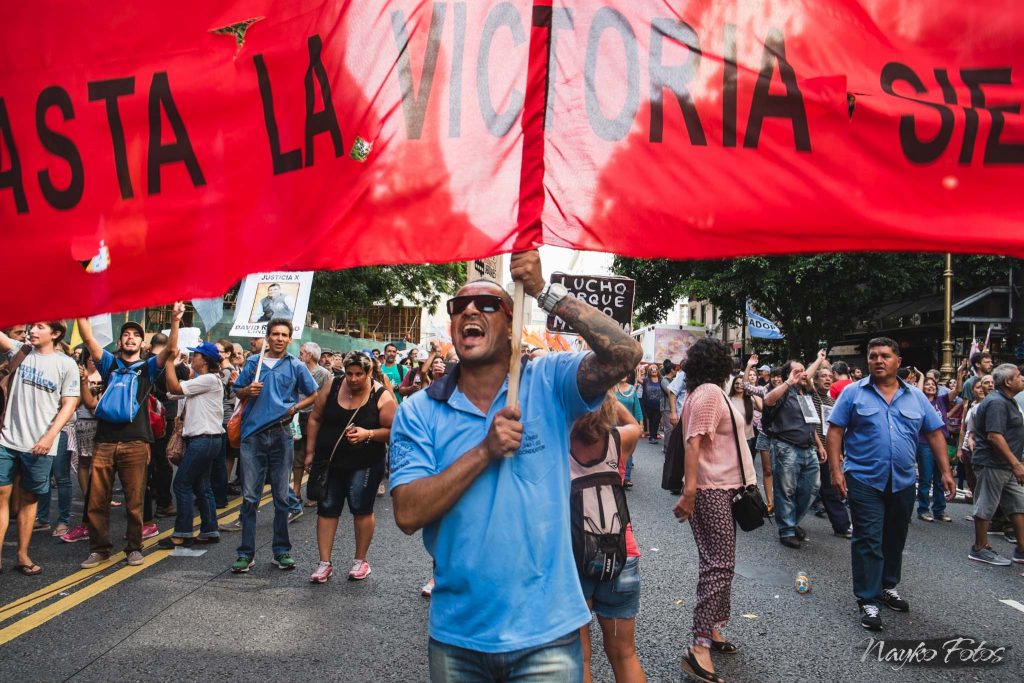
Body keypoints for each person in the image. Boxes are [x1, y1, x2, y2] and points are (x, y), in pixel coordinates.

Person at [389, 250, 641, 680]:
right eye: (459, 306)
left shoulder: (549, 381)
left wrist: (545, 292)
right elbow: (408, 513)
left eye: (488, 305)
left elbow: (624, 355)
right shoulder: (418, 411)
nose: (470, 310)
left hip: (549, 634)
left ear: (510, 326)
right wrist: (484, 451)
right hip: (458, 638)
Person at [826, 337, 954, 631]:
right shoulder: (853, 393)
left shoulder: (916, 397)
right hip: (863, 478)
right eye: (873, 356)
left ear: (898, 361)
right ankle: (868, 599)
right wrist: (836, 470)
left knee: (895, 536)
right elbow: (835, 432)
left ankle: (887, 586)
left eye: (885, 356)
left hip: (903, 481)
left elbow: (934, 433)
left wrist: (946, 472)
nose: (878, 360)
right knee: (868, 538)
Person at [673, 338, 758, 683]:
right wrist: (690, 492)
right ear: (719, 362)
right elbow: (693, 442)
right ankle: (699, 646)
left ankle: (714, 629)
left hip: (724, 488)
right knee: (718, 565)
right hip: (711, 489)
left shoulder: (711, 391)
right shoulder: (709, 393)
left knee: (723, 563)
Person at [76, 310, 181, 569]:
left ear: (142, 344)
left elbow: (170, 349)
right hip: (104, 441)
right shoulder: (110, 364)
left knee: (135, 500)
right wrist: (80, 307)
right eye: (126, 335)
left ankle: (134, 547)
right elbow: (89, 340)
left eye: (135, 335)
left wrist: (176, 319)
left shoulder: (147, 368)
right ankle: (99, 549)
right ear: (120, 341)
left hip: (135, 442)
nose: (130, 338)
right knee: (97, 500)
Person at [230, 319, 318, 573]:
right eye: (275, 334)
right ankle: (246, 553)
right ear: (267, 337)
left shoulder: (296, 365)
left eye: (284, 335)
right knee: (249, 497)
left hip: (281, 435)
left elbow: (313, 393)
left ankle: (281, 551)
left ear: (290, 339)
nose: (279, 338)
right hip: (252, 436)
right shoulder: (252, 363)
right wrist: (248, 390)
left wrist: (294, 408)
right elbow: (237, 391)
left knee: (281, 496)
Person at [571, 397, 645, 683]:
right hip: (621, 554)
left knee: (580, 655)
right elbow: (634, 424)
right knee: (625, 654)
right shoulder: (620, 439)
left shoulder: (556, 446)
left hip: (574, 557)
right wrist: (607, 392)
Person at [305, 352, 396, 583]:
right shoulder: (332, 386)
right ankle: (324, 563)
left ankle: (360, 561)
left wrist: (369, 433)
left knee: (361, 509)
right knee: (326, 508)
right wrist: (310, 452)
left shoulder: (382, 396)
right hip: (330, 461)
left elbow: (394, 431)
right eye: (349, 374)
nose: (353, 379)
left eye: (359, 374)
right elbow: (315, 417)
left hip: (364, 463)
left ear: (368, 373)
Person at [0, 322, 79, 575]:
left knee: (29, 499)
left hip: (41, 445)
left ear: (55, 334)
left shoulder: (66, 364)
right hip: (6, 439)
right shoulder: (19, 350)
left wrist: (49, 437)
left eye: (39, 327)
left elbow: (69, 403)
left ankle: (22, 555)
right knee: (1, 495)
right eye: (32, 326)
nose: (32, 331)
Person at [157, 341, 225, 548]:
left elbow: (175, 387)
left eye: (195, 355)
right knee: (202, 486)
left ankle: (183, 533)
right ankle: (209, 530)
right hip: (208, 440)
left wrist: (169, 361)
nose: (191, 358)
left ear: (204, 359)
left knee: (182, 484)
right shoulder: (202, 380)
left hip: (204, 440)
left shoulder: (209, 379)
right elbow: (172, 392)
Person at [762, 352, 827, 549]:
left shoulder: (805, 394)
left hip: (808, 448)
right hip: (786, 447)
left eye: (803, 371)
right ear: (788, 375)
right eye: (796, 371)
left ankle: (791, 520)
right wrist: (788, 383)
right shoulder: (783, 391)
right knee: (786, 490)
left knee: (812, 488)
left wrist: (820, 445)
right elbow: (767, 401)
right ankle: (787, 530)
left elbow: (810, 423)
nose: (802, 374)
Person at [965, 363, 1024, 566]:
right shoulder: (997, 403)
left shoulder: (1009, 401)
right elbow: (995, 436)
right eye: (1018, 375)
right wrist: (1016, 463)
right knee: (986, 505)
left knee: (1018, 505)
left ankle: (1022, 549)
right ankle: (980, 547)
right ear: (1008, 381)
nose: (1022, 378)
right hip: (993, 463)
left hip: (1007, 465)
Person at [61, 357, 103, 543]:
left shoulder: (105, 374)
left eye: (96, 359)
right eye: (90, 359)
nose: (93, 362)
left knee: (99, 463)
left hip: (101, 423)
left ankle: (98, 497)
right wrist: (84, 388)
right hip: (83, 422)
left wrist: (95, 390)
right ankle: (87, 493)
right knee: (84, 461)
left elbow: (99, 403)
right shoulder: (78, 376)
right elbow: (72, 402)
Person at [808, 367, 852, 537]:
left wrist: (837, 451)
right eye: (823, 377)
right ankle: (790, 523)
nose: (827, 379)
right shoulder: (812, 396)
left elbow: (835, 430)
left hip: (827, 450)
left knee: (830, 488)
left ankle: (841, 525)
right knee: (804, 488)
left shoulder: (833, 403)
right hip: (810, 448)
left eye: (829, 377)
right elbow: (811, 425)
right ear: (816, 381)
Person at [293, 341, 332, 510]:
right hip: (297, 417)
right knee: (298, 456)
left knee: (315, 455)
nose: (300, 356)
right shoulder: (296, 370)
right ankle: (295, 491)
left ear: (309, 355)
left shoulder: (323, 374)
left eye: (302, 353)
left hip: (315, 418)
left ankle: (315, 490)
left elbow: (325, 398)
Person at [916, 377, 953, 523]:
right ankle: (923, 509)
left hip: (942, 442)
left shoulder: (942, 400)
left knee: (940, 478)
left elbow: (957, 391)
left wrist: (960, 374)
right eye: (927, 384)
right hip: (924, 443)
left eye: (933, 385)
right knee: (925, 478)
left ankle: (939, 510)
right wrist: (921, 377)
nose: (931, 386)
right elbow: (918, 392)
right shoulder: (919, 402)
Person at [615, 374, 643, 489]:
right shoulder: (611, 388)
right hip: (613, 424)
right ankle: (615, 474)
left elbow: (637, 407)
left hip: (628, 425)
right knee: (614, 450)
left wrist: (640, 423)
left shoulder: (632, 389)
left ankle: (626, 477)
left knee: (628, 450)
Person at [640, 365, 663, 444]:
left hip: (659, 405)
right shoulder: (646, 380)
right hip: (648, 405)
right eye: (652, 369)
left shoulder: (661, 380)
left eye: (656, 369)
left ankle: (653, 437)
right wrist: (639, 370)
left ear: (658, 371)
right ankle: (652, 436)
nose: (654, 370)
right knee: (651, 420)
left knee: (656, 420)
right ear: (649, 371)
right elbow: (637, 379)